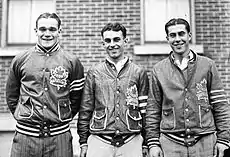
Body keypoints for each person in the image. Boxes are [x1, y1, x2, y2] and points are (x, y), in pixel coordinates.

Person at [146, 18, 230, 157]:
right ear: (167, 39)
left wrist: (223, 139)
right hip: (171, 143)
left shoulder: (208, 65)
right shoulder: (159, 70)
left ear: (189, 36)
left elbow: (220, 104)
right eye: (173, 35)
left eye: (181, 34)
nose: (177, 39)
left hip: (205, 141)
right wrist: (153, 143)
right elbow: (153, 109)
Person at [5, 12, 85, 157]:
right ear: (36, 31)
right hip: (26, 137)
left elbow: (76, 99)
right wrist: (25, 114)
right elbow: (11, 96)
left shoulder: (72, 62)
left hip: (58, 138)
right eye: (42, 29)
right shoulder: (20, 59)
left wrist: (59, 115)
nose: (47, 34)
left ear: (59, 31)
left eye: (52, 30)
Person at [77, 22, 149, 157]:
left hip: (131, 141)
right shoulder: (94, 72)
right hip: (100, 141)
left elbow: (145, 111)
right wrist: (83, 142)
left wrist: (146, 142)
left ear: (125, 41)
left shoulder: (138, 72)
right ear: (103, 44)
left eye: (117, 39)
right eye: (108, 41)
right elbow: (85, 109)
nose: (112, 44)